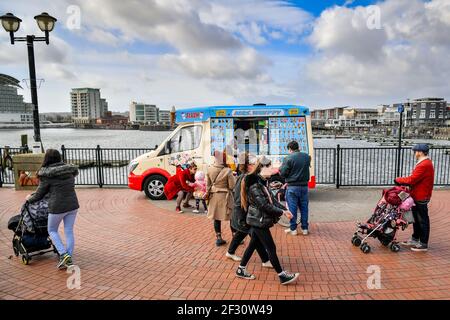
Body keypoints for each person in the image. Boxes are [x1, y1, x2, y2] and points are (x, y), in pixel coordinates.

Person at [237, 155, 299, 285]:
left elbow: (272, 200)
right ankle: (282, 276)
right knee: (271, 247)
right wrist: (282, 212)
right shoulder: (255, 185)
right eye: (270, 166)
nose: (273, 169)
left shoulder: (262, 182)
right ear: (262, 168)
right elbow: (264, 205)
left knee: (253, 244)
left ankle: (241, 269)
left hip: (257, 219)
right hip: (258, 220)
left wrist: (284, 209)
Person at [26, 149, 79, 270]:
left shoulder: (47, 175)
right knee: (69, 231)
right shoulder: (69, 171)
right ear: (59, 158)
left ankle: (64, 255)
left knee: (52, 230)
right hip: (72, 205)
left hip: (57, 207)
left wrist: (29, 198)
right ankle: (68, 257)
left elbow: (39, 194)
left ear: (47, 159)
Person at [226, 152, 273, 269]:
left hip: (244, 214)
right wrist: (243, 215)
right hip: (244, 214)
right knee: (255, 236)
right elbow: (238, 199)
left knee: (243, 234)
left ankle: (230, 252)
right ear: (247, 165)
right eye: (254, 163)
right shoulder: (244, 178)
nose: (257, 165)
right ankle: (265, 260)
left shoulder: (248, 177)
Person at [395, 144, 434, 252]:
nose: (414, 153)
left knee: (422, 220)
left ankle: (423, 244)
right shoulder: (425, 163)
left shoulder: (424, 165)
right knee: (416, 218)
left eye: (415, 151)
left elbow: (412, 179)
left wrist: (399, 179)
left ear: (420, 152)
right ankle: (415, 239)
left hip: (421, 196)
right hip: (418, 194)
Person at [279, 140, 311, 236]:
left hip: (292, 187)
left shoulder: (288, 158)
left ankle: (293, 229)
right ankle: (305, 229)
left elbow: (283, 173)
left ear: (290, 149)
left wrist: (281, 168)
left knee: (292, 209)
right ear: (298, 147)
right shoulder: (306, 157)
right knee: (304, 208)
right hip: (304, 187)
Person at [206, 151, 236, 246]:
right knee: (231, 217)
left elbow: (208, 185)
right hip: (225, 196)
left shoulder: (210, 169)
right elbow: (232, 186)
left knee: (216, 217)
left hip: (214, 195)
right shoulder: (228, 170)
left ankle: (218, 238)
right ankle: (235, 236)